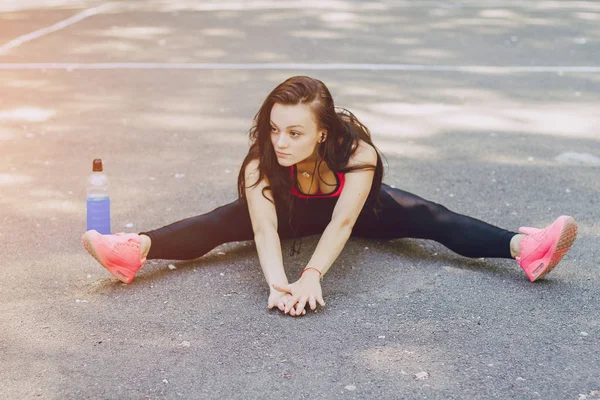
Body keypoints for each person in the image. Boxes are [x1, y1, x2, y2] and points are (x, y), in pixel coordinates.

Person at [81, 76, 578, 317]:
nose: (280, 142)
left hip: (352, 210)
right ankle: (134, 251)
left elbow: (343, 222)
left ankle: (525, 249)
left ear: (322, 134)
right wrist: (278, 284)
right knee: (219, 222)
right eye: (274, 129)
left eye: (294, 133)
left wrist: (312, 275)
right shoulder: (263, 161)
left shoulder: (356, 152)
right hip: (289, 212)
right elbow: (262, 230)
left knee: (429, 215)